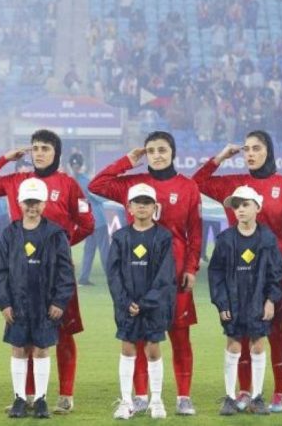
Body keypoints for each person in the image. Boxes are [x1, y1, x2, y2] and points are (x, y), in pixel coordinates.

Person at [0, 129, 94, 414]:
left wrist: (60, 249)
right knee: (23, 335)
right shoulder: (18, 181)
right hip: (21, 275)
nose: (39, 153)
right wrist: (5, 158)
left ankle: (65, 395)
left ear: (56, 153)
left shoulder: (68, 185)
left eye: (45, 148)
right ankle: (26, 396)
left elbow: (87, 224)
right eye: (35, 148)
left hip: (55, 276)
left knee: (63, 333)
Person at [89, 131, 202, 415]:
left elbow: (195, 233)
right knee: (138, 335)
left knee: (179, 336)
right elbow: (97, 183)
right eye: (150, 150)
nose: (156, 155)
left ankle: (183, 397)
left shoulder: (187, 187)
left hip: (172, 274)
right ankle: (140, 396)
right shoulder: (133, 185)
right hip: (135, 275)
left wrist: (190, 267)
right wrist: (129, 160)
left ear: (173, 152)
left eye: (162, 149)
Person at [192, 130, 282, 412]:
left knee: (276, 331)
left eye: (256, 148)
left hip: (273, 271)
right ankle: (243, 391)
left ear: (269, 151)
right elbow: (195, 183)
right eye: (246, 150)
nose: (250, 154)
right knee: (239, 332)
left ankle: (277, 393)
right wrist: (219, 158)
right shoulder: (233, 184)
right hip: (237, 270)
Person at [0, 178, 75, 419]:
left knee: (41, 350)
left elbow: (65, 271)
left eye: (36, 202)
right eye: (28, 202)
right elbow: (0, 272)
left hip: (45, 305)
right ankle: (19, 398)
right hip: (16, 304)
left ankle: (40, 399)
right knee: (19, 349)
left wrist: (60, 301)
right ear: (19, 203)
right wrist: (4, 303)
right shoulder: (10, 233)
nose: (32, 207)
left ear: (44, 203)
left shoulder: (55, 233)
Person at [209, 186, 282, 416]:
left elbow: (276, 273)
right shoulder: (225, 239)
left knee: (258, 345)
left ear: (257, 208)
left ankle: (258, 396)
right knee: (233, 345)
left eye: (245, 205)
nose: (239, 210)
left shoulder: (268, 239)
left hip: (257, 301)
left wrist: (271, 300)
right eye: (236, 205)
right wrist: (222, 304)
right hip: (232, 302)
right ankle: (230, 398)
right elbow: (216, 275)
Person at [107, 184, 175, 420]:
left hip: (153, 307)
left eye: (147, 202)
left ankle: (156, 400)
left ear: (155, 207)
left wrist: (145, 302)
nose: (142, 206)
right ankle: (126, 401)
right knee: (127, 349)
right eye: (138, 202)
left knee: (153, 349)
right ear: (129, 207)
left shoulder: (164, 236)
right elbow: (113, 274)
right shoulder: (120, 237)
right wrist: (126, 302)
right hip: (127, 306)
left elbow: (165, 276)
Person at [70, 153, 110, 287]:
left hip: (87, 221)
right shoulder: (87, 181)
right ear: (82, 165)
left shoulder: (71, 182)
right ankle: (112, 277)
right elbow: (98, 197)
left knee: (89, 250)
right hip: (98, 220)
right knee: (104, 249)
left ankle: (83, 278)